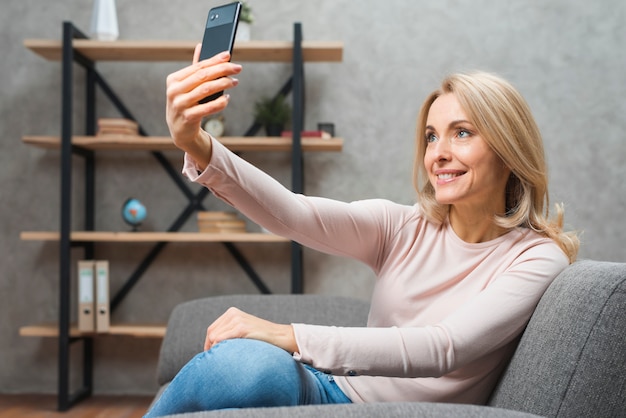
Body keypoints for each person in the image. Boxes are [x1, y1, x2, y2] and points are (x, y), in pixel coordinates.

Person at [144, 46, 579, 416]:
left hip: (387, 413)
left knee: (248, 364)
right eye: (431, 137)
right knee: (242, 363)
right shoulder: (404, 225)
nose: (439, 154)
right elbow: (294, 215)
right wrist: (195, 143)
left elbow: (445, 347)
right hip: (327, 389)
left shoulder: (537, 256)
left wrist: (288, 334)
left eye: (461, 133)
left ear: (507, 150)